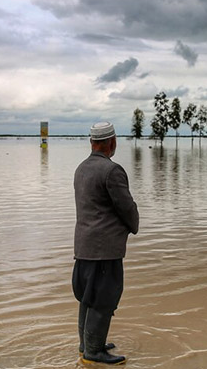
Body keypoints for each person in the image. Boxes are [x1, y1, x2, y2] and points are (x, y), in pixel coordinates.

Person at [73, 121, 139, 365]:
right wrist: (134, 225)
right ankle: (94, 351)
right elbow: (126, 206)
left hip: (83, 247)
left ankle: (87, 344)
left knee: (88, 296)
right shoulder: (112, 171)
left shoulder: (81, 168)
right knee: (104, 297)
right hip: (104, 249)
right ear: (112, 142)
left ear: (92, 143)